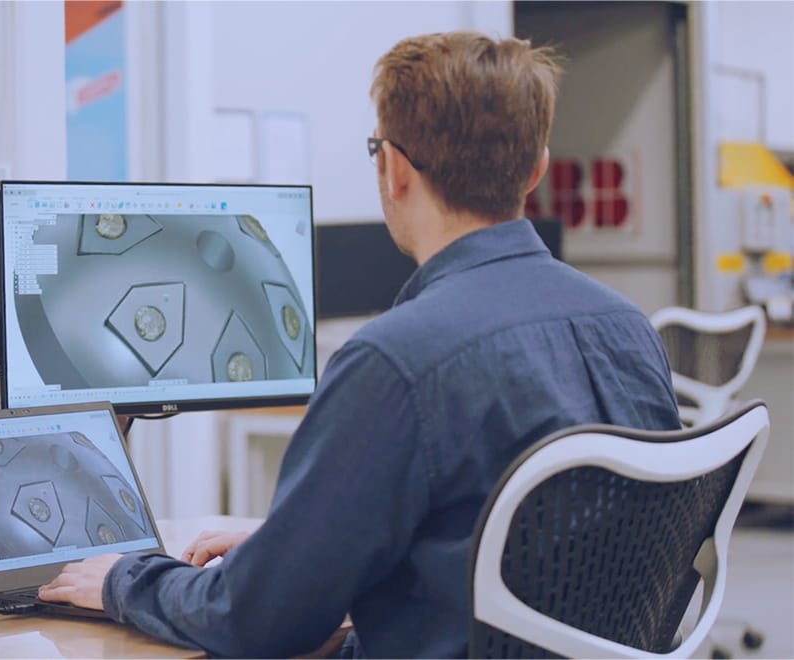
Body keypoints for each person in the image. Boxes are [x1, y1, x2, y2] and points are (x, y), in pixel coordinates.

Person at [38, 31, 681, 657]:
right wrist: (284, 542)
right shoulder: (628, 329)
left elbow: (260, 622)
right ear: (537, 168)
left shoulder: (397, 363)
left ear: (393, 168)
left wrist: (125, 580)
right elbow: (544, 535)